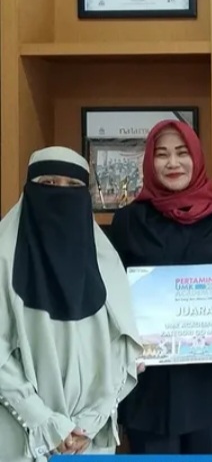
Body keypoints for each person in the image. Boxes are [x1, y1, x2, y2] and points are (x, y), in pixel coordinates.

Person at [109, 119, 212, 455]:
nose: (173, 163)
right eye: (162, 154)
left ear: (196, 157)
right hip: (150, 384)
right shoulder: (127, 221)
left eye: (182, 153)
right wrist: (122, 350)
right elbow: (113, 296)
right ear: (149, 161)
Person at [0, 146, 142, 461]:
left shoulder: (106, 262)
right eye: (48, 184)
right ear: (29, 189)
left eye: (73, 185)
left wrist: (88, 422)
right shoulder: (4, 256)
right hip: (22, 435)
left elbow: (123, 350)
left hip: (88, 439)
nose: (60, 193)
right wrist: (46, 423)